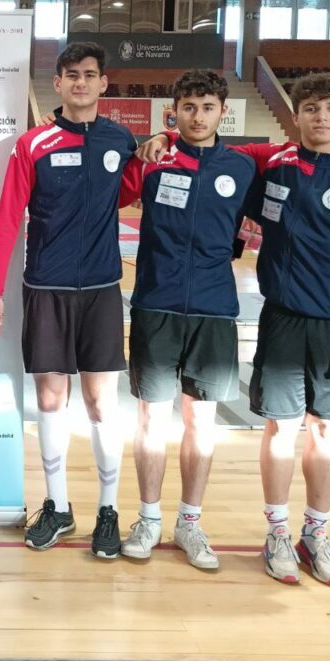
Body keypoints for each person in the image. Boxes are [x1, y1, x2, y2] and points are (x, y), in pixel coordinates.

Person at [140, 73, 330, 585]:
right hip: (281, 318)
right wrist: (165, 135)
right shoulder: (274, 165)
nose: (321, 117)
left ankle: (316, 533)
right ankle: (277, 533)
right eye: (311, 108)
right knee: (280, 427)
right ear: (295, 116)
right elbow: (206, 149)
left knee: (325, 430)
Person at [0, 41, 136, 558]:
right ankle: (59, 506)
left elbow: (130, 189)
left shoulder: (120, 140)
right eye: (71, 75)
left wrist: (157, 144)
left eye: (89, 74)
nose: (80, 83)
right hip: (46, 287)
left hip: (101, 290)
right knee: (51, 400)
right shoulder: (34, 144)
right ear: (58, 83)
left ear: (103, 83)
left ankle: (108, 511)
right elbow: (8, 217)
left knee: (101, 403)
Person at [116, 70, 258, 570]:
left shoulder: (243, 167)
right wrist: (148, 146)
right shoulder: (154, 159)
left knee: (201, 420)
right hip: (156, 303)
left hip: (214, 308)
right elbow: (116, 193)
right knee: (151, 417)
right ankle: (149, 519)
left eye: (208, 107)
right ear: (173, 112)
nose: (198, 116)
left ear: (223, 112)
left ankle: (190, 523)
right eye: (189, 107)